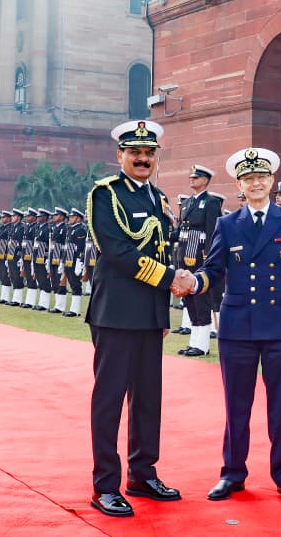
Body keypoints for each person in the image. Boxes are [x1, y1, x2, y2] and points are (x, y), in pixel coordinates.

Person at [191, 147, 281, 507]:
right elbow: (214, 269)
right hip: (238, 327)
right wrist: (193, 282)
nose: (256, 183)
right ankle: (232, 473)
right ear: (240, 185)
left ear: (272, 182)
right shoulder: (228, 224)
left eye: (261, 177)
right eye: (248, 179)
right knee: (236, 407)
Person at [85, 119, 192, 518]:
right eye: (135, 153)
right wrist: (171, 278)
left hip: (148, 314)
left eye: (149, 154)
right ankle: (105, 485)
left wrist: (162, 307)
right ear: (120, 156)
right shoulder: (105, 195)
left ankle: (142, 473)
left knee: (149, 398)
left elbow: (162, 251)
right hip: (115, 312)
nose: (143, 159)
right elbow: (116, 252)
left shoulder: (158, 199)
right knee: (109, 399)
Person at [171, 164, 222, 356]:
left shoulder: (211, 203)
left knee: (201, 300)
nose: (191, 179)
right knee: (189, 299)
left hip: (200, 257)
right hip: (184, 256)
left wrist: (209, 258)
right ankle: (194, 342)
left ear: (205, 180)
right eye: (191, 176)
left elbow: (212, 233)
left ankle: (202, 345)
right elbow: (180, 232)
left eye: (196, 177)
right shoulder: (187, 203)